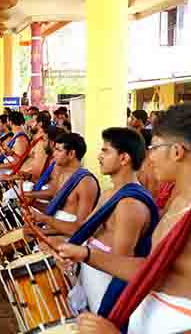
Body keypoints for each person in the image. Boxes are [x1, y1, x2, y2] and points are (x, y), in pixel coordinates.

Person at [58, 103, 191, 333]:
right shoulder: (179, 203)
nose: (149, 158)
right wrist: (86, 255)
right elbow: (153, 271)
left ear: (177, 151)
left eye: (154, 147)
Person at [40, 128, 159, 317]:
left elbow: (121, 265)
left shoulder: (130, 204)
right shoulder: (109, 194)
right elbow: (85, 230)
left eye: (106, 151)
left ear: (124, 158)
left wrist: (82, 253)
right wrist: (65, 248)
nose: (99, 156)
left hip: (105, 286)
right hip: (91, 276)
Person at [25, 132, 100, 230]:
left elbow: (81, 228)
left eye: (58, 150)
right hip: (52, 226)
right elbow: (55, 202)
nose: (54, 154)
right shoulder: (63, 175)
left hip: (66, 237)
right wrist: (31, 202)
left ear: (71, 154)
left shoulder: (86, 182)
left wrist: (43, 228)